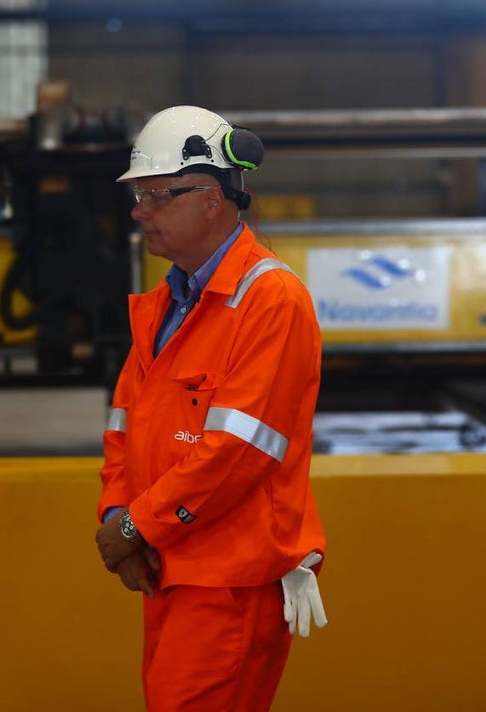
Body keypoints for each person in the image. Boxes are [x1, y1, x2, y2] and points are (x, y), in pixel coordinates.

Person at [94, 105, 328, 712]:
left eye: (154, 195)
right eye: (137, 196)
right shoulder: (163, 307)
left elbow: (239, 453)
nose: (138, 211)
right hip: (172, 568)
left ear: (211, 198)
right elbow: (123, 429)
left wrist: (134, 527)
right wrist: (122, 515)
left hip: (229, 583)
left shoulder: (270, 300)